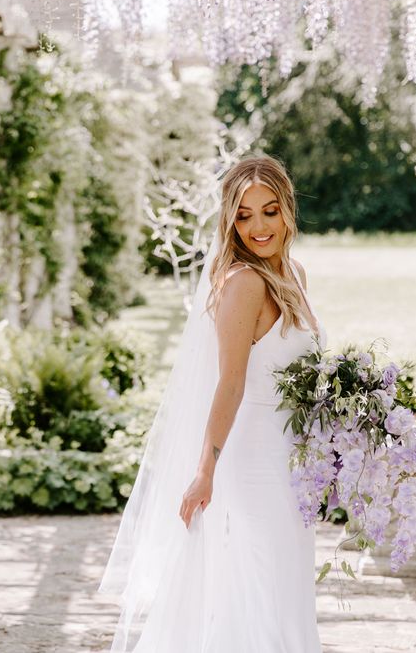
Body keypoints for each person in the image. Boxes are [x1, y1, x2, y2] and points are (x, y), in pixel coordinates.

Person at [98, 154, 325, 652]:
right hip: (251, 463)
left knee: (285, 590)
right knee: (256, 590)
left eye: (269, 210)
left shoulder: (294, 275)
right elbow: (230, 383)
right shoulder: (244, 284)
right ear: (230, 220)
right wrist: (205, 471)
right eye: (243, 215)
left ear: (288, 208)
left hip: (291, 466)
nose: (258, 226)